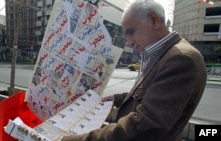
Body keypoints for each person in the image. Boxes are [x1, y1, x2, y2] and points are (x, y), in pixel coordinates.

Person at [61, 0, 207, 141]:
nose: (129, 42)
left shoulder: (180, 59)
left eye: (131, 32)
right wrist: (115, 99)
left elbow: (146, 125)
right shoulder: (162, 53)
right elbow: (148, 93)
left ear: (154, 20)